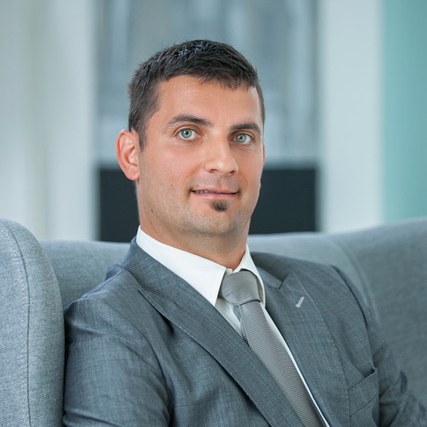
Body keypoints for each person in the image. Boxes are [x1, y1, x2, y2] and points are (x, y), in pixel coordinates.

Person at [63, 40, 426, 426]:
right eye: (188, 133)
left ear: (262, 156)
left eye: (242, 137)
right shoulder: (111, 325)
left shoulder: (332, 290)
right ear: (131, 155)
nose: (224, 162)